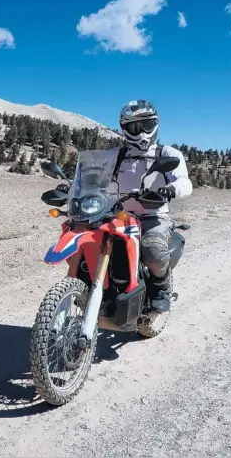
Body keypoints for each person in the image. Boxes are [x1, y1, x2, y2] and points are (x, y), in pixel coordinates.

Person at [57, 99, 192, 312]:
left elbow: (185, 181)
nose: (141, 133)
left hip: (152, 214)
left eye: (146, 125)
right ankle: (93, 287)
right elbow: (92, 175)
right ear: (124, 129)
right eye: (134, 127)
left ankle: (160, 288)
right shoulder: (114, 155)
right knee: (83, 242)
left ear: (155, 124)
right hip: (115, 214)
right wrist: (73, 187)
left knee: (153, 250)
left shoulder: (167, 154)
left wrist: (170, 189)